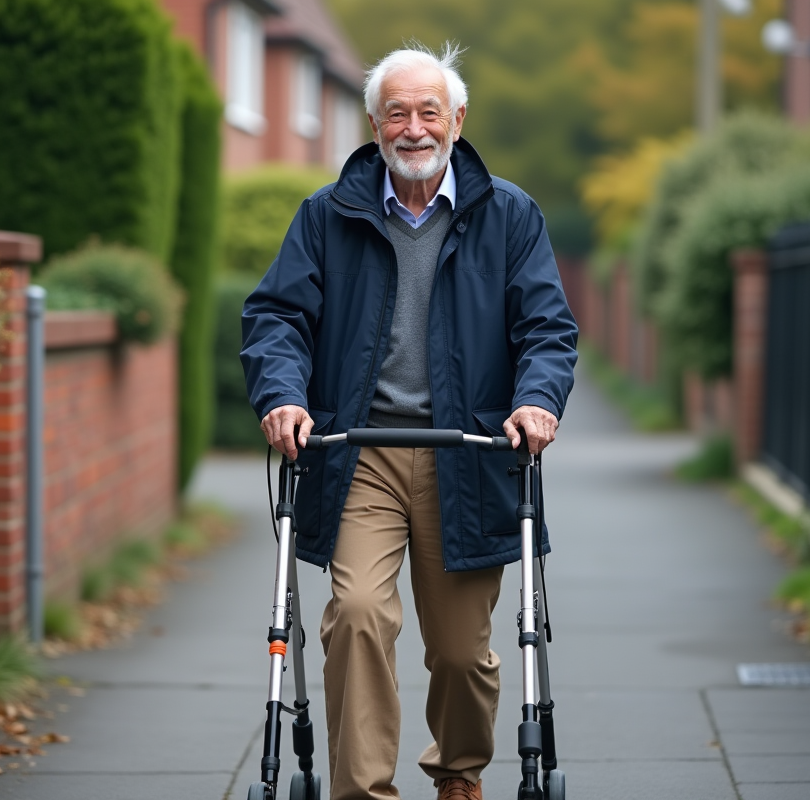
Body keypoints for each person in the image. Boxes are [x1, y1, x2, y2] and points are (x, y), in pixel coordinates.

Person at [241, 42, 577, 800]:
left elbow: (547, 329)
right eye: (397, 113)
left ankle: (459, 773)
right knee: (357, 614)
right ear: (374, 125)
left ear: (458, 120)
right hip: (361, 453)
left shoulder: (509, 215)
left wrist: (536, 400)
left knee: (461, 651)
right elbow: (277, 317)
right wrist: (282, 395)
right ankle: (363, 792)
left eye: (430, 111)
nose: (414, 128)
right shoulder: (326, 215)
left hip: (471, 453)